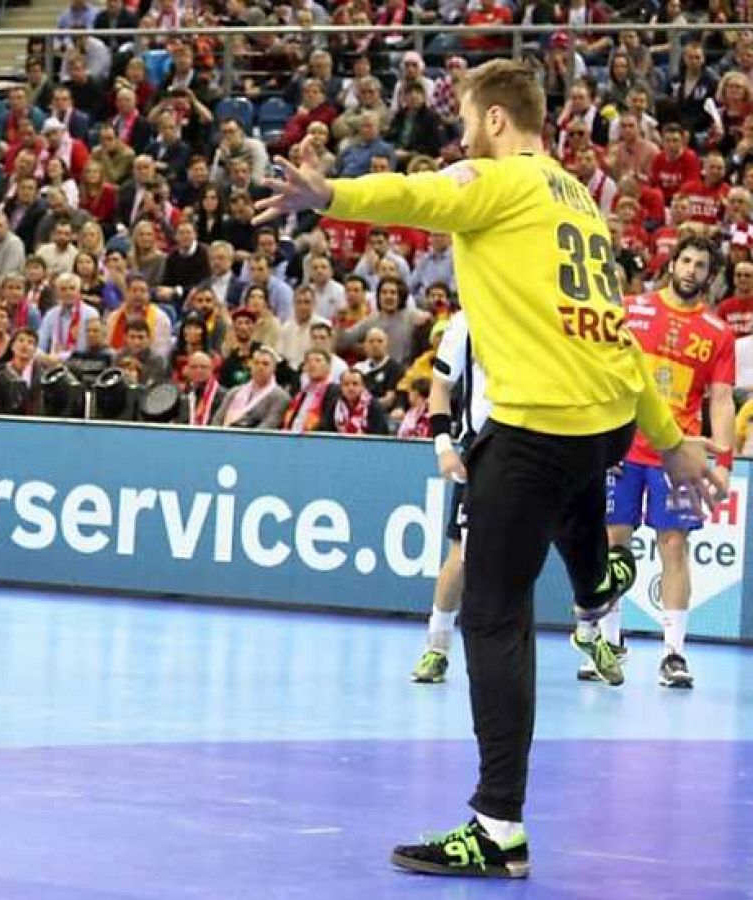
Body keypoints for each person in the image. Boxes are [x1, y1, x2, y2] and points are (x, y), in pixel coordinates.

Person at [256, 59, 722, 879]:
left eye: (468, 120)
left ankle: (497, 825)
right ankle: (598, 580)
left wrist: (329, 195)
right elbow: (618, 336)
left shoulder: (501, 180)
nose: (462, 135)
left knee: (493, 613)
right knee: (575, 510)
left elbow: (418, 194)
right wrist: (669, 435)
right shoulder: (578, 203)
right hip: (602, 427)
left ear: (497, 120)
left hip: (538, 429)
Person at [575, 237, 737, 689]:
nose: (691, 270)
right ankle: (608, 645)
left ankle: (673, 653)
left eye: (701, 265)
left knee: (674, 545)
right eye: (685, 260)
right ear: (672, 264)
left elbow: (721, 400)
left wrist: (724, 462)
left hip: (676, 456)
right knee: (614, 543)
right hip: (623, 449)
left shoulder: (717, 332)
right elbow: (602, 374)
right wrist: (599, 439)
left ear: (710, 276)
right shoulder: (632, 310)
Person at [410, 310, 487, 685]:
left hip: (536, 446)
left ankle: (592, 635)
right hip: (482, 449)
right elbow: (440, 386)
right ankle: (436, 647)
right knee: (461, 555)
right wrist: (443, 447)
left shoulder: (540, 308)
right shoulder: (466, 322)